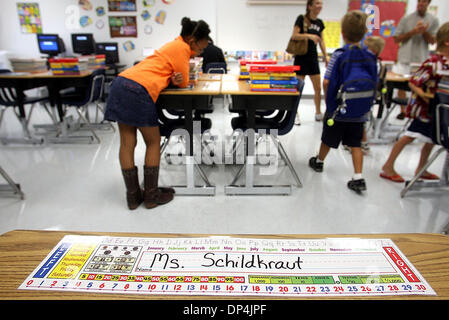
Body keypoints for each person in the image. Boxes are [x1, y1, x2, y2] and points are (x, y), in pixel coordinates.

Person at [104, 17, 210, 210]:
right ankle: (151, 197)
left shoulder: (171, 45)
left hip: (121, 83)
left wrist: (172, 77)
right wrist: (178, 79)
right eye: (200, 49)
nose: (199, 53)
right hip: (138, 90)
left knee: (127, 143)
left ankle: (133, 197)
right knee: (153, 142)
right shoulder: (182, 48)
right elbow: (185, 82)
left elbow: (164, 72)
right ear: (192, 41)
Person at [308, 10, 378, 193]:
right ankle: (358, 177)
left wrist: (330, 104)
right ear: (364, 33)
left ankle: (319, 162)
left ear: (343, 33)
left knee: (328, 139)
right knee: (355, 143)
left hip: (338, 110)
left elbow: (326, 81)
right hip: (359, 112)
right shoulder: (370, 56)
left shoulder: (339, 55)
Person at [380, 22, 449, 183]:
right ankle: (388, 166)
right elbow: (413, 82)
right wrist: (425, 96)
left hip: (440, 112)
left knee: (431, 139)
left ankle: (421, 169)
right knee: (409, 136)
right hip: (427, 109)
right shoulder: (433, 62)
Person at [392, 0, 439, 120]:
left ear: (428, 3)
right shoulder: (406, 19)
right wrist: (413, 31)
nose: (421, 4)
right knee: (401, 85)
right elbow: (396, 39)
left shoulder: (433, 20)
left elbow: (433, 41)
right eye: (419, 1)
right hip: (405, 57)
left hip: (421, 59)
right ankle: (402, 110)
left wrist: (424, 32)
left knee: (418, 87)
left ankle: (414, 111)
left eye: (424, 2)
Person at [290, 0, 328, 125]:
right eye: (317, 3)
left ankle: (318, 113)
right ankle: (294, 114)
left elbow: (321, 41)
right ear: (309, 6)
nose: (320, 6)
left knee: (317, 88)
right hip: (301, 58)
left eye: (321, 3)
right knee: (297, 89)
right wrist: (309, 36)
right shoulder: (301, 19)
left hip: (313, 59)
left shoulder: (320, 23)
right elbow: (294, 36)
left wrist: (326, 56)